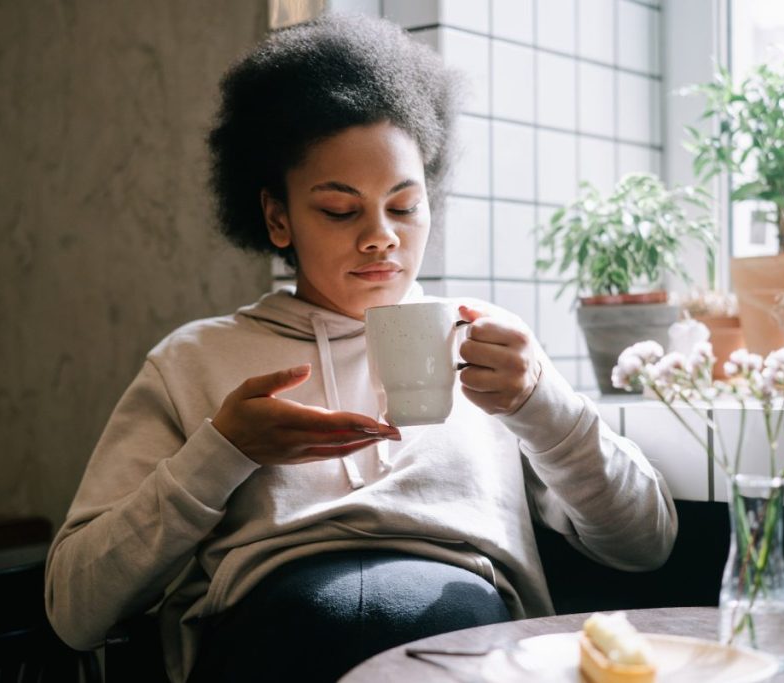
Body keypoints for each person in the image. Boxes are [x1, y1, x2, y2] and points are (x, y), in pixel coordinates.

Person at [45, 13, 677, 683]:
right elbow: (74, 610)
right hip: (272, 646)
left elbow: (646, 544)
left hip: (468, 642)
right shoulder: (194, 360)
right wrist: (222, 451)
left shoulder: (491, 347)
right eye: (341, 210)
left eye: (403, 206)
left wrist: (541, 404)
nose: (381, 236)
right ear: (277, 216)